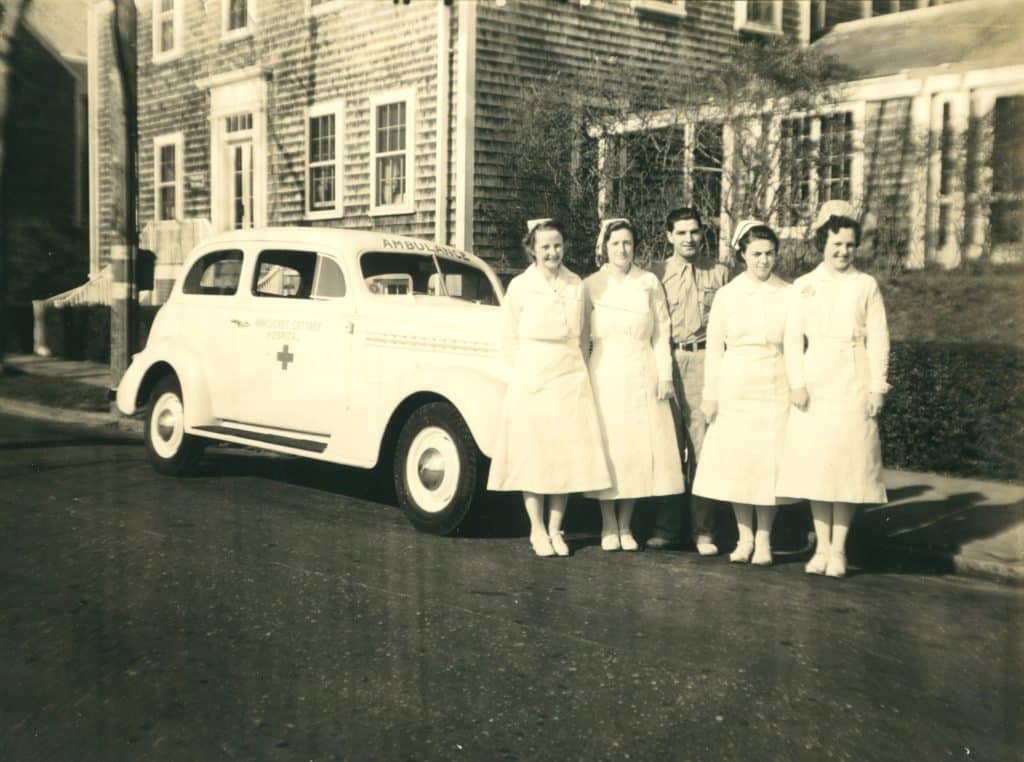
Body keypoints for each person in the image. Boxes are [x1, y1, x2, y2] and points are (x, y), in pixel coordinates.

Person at [775, 200, 890, 578]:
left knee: (849, 466)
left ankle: (839, 549)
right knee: (818, 466)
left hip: (854, 378)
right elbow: (792, 340)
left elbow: (879, 340)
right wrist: (797, 383)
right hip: (816, 379)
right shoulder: (804, 286)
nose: (842, 252)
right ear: (823, 242)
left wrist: (877, 387)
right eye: (836, 244)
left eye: (849, 245)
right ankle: (821, 547)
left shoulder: (865, 285)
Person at [487, 218, 612, 558]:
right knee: (535, 455)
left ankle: (557, 528)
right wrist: (523, 375)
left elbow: (584, 333)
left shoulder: (575, 284)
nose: (552, 252)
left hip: (569, 377)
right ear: (533, 249)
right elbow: (508, 337)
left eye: (557, 245)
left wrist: (579, 372)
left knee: (565, 456)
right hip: (533, 378)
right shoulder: (520, 286)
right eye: (545, 247)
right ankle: (537, 529)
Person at [691, 220, 794, 567]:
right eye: (756, 254)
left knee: (769, 463)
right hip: (736, 383)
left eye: (769, 253)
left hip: (775, 382)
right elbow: (715, 349)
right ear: (742, 255)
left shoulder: (788, 292)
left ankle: (764, 539)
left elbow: (795, 345)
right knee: (740, 462)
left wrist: (797, 385)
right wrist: (711, 394)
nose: (764, 260)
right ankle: (744, 537)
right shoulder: (728, 294)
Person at [584, 219, 684, 551]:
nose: (622, 250)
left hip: (642, 371)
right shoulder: (590, 286)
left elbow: (662, 332)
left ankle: (626, 525)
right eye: (616, 244)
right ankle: (607, 525)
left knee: (636, 450)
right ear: (605, 247)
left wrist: (665, 374)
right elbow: (580, 335)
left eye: (627, 243)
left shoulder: (648, 282)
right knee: (611, 448)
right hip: (605, 372)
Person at [649, 207, 731, 555]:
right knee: (667, 444)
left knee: (702, 446)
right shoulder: (656, 274)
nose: (689, 239)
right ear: (669, 236)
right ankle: (666, 528)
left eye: (694, 232)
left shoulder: (721, 273)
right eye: (681, 232)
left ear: (703, 233)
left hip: (704, 360)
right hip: (666, 360)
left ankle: (704, 530)